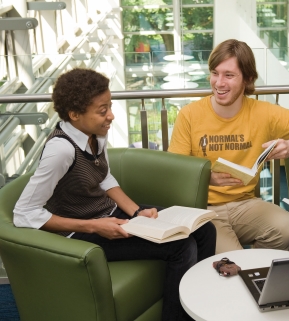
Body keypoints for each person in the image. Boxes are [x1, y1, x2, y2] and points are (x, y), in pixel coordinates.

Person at [13, 68, 216, 321]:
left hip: (108, 215)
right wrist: (94, 226)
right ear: (75, 114)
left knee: (205, 230)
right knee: (181, 246)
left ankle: (202, 305)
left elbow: (105, 178)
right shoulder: (61, 151)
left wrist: (137, 212)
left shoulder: (95, 134)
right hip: (79, 234)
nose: (111, 116)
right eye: (102, 110)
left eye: (109, 106)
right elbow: (24, 214)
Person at [168, 39, 289, 254]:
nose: (219, 83)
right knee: (233, 261)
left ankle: (257, 267)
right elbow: (176, 172)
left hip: (245, 204)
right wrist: (206, 177)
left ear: (248, 79)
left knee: (287, 229)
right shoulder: (189, 115)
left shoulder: (264, 113)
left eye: (229, 75)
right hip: (204, 208)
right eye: (215, 73)